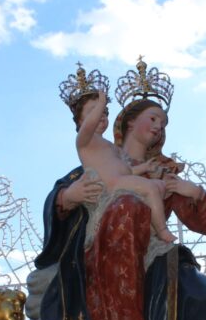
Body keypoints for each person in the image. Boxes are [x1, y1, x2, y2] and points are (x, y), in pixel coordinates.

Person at [33, 59, 206, 320]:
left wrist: (194, 193)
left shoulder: (163, 171)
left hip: (153, 258)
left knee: (200, 295)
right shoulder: (101, 159)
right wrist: (68, 197)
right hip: (99, 256)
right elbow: (59, 199)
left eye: (164, 123)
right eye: (153, 119)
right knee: (122, 208)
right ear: (128, 121)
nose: (159, 128)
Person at [74, 91, 176, 243]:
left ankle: (152, 229)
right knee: (151, 188)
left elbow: (126, 170)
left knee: (159, 185)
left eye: (105, 112)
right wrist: (101, 103)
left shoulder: (111, 146)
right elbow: (89, 126)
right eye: (94, 111)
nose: (101, 115)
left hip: (121, 180)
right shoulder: (85, 141)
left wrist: (144, 168)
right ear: (80, 120)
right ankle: (162, 231)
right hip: (109, 186)